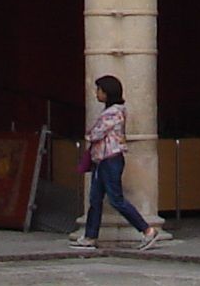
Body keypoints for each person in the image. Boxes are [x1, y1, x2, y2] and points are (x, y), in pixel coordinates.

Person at [69, 74, 166, 250]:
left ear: (107, 92)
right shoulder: (115, 111)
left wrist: (90, 134)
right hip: (103, 160)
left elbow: (95, 134)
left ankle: (147, 230)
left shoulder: (113, 112)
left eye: (99, 90)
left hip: (110, 160)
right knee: (95, 198)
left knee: (116, 199)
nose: (96, 93)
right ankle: (90, 235)